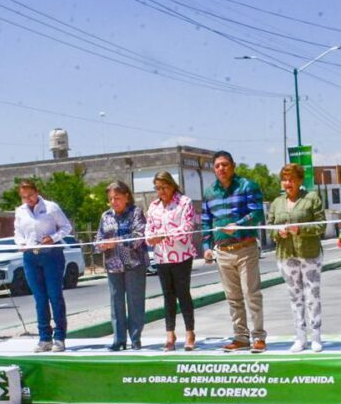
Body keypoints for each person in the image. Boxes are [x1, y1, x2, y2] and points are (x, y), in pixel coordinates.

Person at [202, 151, 267, 353]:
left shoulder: (247, 186)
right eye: (217, 166)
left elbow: (257, 213)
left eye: (225, 164)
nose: (221, 168)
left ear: (233, 165)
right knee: (233, 298)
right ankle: (240, 337)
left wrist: (238, 225)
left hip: (245, 248)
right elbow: (206, 221)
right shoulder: (209, 192)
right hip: (222, 252)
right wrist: (206, 247)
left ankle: (258, 337)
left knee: (251, 294)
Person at [267, 163, 325, 353]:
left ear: (300, 180)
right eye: (284, 180)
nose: (287, 183)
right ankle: (300, 337)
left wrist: (300, 229)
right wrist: (278, 233)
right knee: (295, 297)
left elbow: (321, 225)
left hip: (309, 254)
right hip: (285, 255)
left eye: (291, 179)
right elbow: (269, 228)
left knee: (312, 295)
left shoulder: (311, 198)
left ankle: (316, 336)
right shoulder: (277, 203)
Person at [14, 179, 73, 352]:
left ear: (37, 192)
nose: (28, 199)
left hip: (51, 255)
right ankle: (44, 338)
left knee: (55, 296)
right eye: (24, 197)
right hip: (30, 257)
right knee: (39, 298)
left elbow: (66, 227)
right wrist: (21, 242)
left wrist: (53, 238)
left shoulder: (51, 207)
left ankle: (60, 337)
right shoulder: (20, 211)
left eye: (30, 195)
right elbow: (18, 232)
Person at [145, 171, 197, 351]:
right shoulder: (153, 206)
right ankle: (170, 334)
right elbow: (148, 229)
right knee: (168, 296)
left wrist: (165, 235)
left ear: (172, 185)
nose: (161, 191)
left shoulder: (185, 202)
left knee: (183, 294)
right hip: (162, 257)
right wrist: (151, 238)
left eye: (164, 187)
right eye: (157, 188)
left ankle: (190, 333)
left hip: (181, 255)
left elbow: (188, 227)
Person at [98, 181, 147, 351]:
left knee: (135, 302)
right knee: (116, 302)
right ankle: (118, 340)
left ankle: (135, 339)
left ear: (126, 197)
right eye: (111, 199)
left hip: (134, 263)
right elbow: (98, 239)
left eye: (117, 198)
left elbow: (139, 236)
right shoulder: (105, 216)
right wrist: (101, 244)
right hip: (113, 265)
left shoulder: (136, 212)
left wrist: (117, 241)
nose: (114, 202)